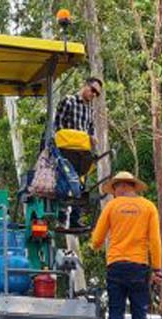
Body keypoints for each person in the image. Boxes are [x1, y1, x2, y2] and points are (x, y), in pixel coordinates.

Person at [89, 172, 162, 319]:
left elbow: (97, 240)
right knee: (140, 314)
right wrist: (157, 268)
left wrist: (94, 245)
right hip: (139, 267)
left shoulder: (111, 207)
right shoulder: (149, 207)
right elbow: (155, 242)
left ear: (119, 187)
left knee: (116, 313)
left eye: (114, 190)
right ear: (132, 186)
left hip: (116, 266)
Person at [52, 77, 103, 232]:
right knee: (63, 183)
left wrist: (93, 138)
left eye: (97, 93)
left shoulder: (90, 110)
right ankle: (61, 219)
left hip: (82, 153)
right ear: (85, 85)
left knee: (81, 186)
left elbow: (90, 129)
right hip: (66, 150)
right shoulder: (68, 101)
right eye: (93, 90)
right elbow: (58, 126)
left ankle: (75, 219)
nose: (94, 94)